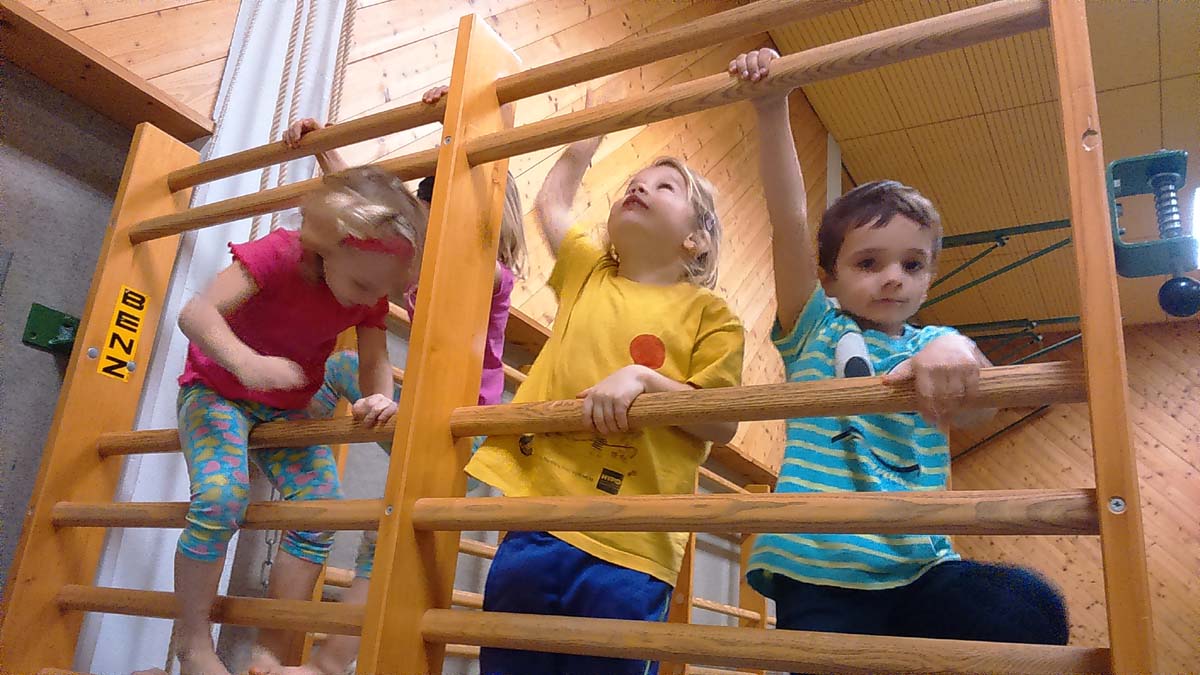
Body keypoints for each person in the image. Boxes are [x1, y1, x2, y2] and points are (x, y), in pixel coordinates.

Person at [731, 48, 1068, 670]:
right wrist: (771, 106)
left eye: (912, 264)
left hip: (921, 566)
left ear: (929, 275)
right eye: (869, 262)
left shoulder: (931, 342)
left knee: (1028, 608)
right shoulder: (814, 328)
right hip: (823, 566)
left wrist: (958, 349)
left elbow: (980, 408)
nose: (893, 277)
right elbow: (787, 219)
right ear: (829, 276)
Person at [466, 129, 745, 675]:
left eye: (664, 187)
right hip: (538, 522)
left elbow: (723, 420)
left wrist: (643, 379)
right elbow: (552, 204)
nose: (639, 188)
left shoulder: (711, 315)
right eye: (633, 183)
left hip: (632, 545)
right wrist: (583, 144)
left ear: (697, 239)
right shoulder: (589, 273)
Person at [172, 164, 426, 675]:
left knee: (320, 511)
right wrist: (248, 364)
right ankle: (192, 640)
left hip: (285, 410)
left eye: (381, 292)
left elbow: (375, 360)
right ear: (328, 244)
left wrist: (379, 398)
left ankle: (272, 647)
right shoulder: (279, 255)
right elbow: (195, 313)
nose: (369, 299)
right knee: (221, 498)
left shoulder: (367, 290)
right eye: (362, 284)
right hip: (216, 394)